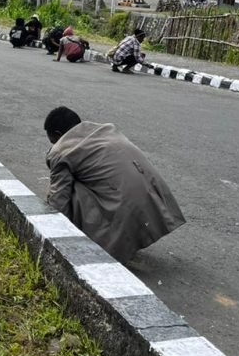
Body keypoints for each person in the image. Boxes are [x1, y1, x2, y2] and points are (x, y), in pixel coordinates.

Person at [44, 106, 185, 264]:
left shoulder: (61, 151)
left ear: (57, 134)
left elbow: (58, 200)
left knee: (69, 189)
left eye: (53, 140)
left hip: (124, 208)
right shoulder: (107, 129)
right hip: (153, 206)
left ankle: (100, 243)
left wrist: (50, 233)